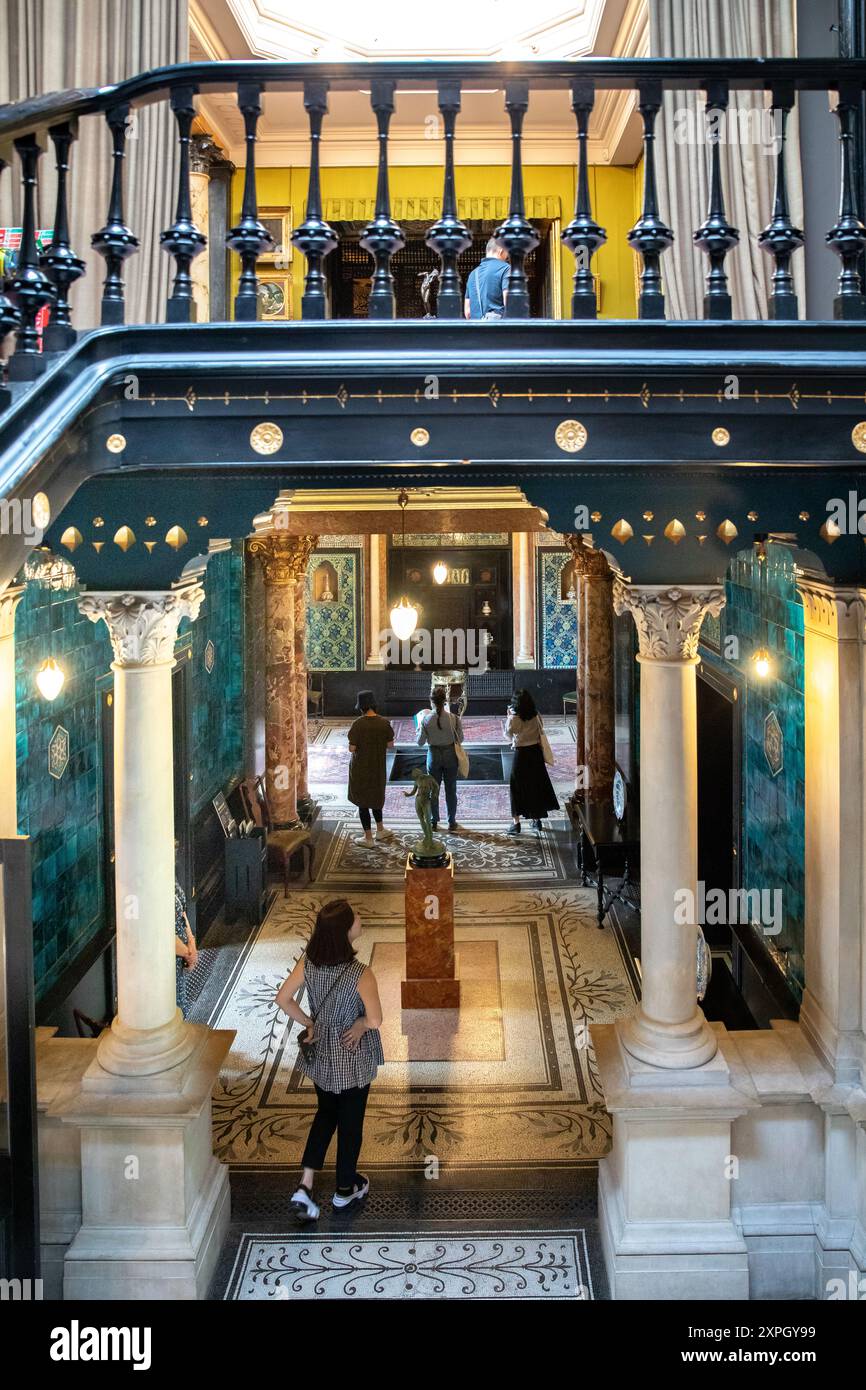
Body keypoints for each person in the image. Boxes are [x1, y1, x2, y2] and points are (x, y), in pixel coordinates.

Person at [275, 899, 384, 1222]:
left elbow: (283, 998)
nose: (360, 918)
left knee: (325, 1115)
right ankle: (344, 1190)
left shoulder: (309, 962)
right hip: (352, 1057)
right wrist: (360, 1024)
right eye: (355, 918)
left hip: (322, 1055)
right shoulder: (360, 974)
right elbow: (375, 1020)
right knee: (350, 1125)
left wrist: (310, 1023)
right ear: (344, 932)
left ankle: (305, 1185)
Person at [505, 689, 558, 835]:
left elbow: (508, 735)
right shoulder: (536, 715)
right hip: (535, 754)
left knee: (516, 787)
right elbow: (542, 729)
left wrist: (509, 717)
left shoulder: (514, 718)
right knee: (535, 786)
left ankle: (516, 823)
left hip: (521, 755)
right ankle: (536, 820)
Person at [347, 690, 395, 847]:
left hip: (361, 768)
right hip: (378, 767)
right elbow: (390, 745)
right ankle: (380, 830)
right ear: (374, 705)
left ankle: (368, 838)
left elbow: (352, 749)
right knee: (376, 798)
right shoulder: (384, 723)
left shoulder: (358, 724)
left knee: (363, 802)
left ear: (361, 707)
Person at [416, 688, 464, 833]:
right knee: (451, 789)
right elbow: (460, 739)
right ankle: (452, 821)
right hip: (450, 756)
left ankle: (434, 821)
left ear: (431, 701)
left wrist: (419, 728)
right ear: (445, 701)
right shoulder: (454, 718)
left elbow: (420, 742)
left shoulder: (426, 719)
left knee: (433, 791)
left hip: (434, 756)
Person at [464, 238, 510, 320]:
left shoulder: (473, 274)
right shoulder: (506, 269)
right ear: (501, 250)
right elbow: (509, 302)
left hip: (476, 329)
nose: (507, 257)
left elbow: (467, 312)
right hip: (497, 330)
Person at [174, 873, 198, 1017]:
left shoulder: (166, 872)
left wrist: (191, 941)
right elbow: (160, 934)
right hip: (163, 961)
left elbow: (181, 911)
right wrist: (188, 954)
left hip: (180, 957)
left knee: (180, 1009)